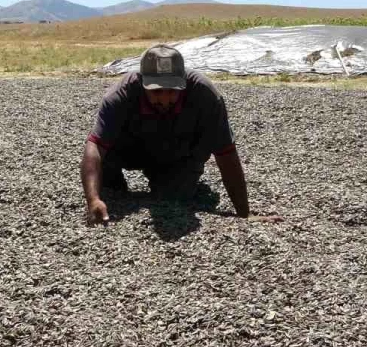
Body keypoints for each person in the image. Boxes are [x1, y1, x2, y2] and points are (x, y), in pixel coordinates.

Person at [80, 44, 282, 225]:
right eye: (156, 91)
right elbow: (95, 146)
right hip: (132, 149)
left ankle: (181, 181)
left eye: (172, 90)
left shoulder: (205, 95)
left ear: (183, 82)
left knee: (173, 198)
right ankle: (110, 190)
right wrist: (93, 199)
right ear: (142, 82)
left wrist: (244, 214)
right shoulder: (119, 96)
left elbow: (226, 153)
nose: (165, 98)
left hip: (177, 153)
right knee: (111, 192)